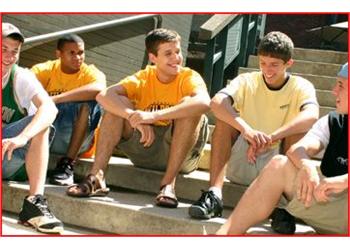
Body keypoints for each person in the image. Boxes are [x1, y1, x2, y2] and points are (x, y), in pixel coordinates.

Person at [189, 31, 319, 234]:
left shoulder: (301, 86)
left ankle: (283, 209)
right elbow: (216, 103)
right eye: (263, 63)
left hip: (279, 165)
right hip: (245, 156)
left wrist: (271, 137)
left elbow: (312, 115)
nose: (267, 70)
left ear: (288, 63)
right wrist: (248, 131)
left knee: (301, 131)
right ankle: (214, 195)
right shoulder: (247, 80)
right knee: (224, 120)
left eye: (274, 64)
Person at [66, 28, 210, 208]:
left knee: (191, 106)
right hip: (144, 146)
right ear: (153, 58)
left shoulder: (188, 76)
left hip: (180, 155)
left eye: (178, 51)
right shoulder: (143, 77)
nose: (176, 58)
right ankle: (97, 177)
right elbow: (103, 96)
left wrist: (152, 116)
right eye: (168, 53)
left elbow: (205, 102)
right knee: (116, 108)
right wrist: (134, 117)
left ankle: (168, 184)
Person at [217, 63, 348, 235]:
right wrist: (306, 165)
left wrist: (345, 181)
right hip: (332, 208)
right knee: (279, 164)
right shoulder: (333, 122)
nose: (334, 91)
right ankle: (224, 235)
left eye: (341, 85)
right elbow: (297, 149)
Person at [2, 22, 64, 234]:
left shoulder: (21, 76)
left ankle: (33, 204)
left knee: (41, 125)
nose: (9, 57)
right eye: (3, 49)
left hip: (10, 156)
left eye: (15, 51)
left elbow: (49, 108)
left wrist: (22, 137)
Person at [31, 34, 106, 186]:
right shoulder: (46, 69)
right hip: (49, 132)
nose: (78, 57)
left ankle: (67, 165)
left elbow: (99, 88)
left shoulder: (90, 72)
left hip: (80, 140)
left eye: (81, 52)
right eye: (71, 53)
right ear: (59, 54)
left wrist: (55, 99)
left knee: (90, 104)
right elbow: (23, 84)